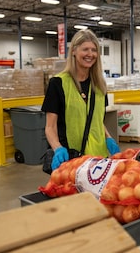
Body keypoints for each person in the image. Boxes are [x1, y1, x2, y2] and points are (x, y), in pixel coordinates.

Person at [41, 29, 120, 171]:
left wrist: (108, 137)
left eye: (94, 50)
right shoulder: (58, 84)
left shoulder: (100, 85)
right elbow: (50, 127)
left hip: (98, 160)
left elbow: (96, 120)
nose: (90, 54)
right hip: (70, 159)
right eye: (85, 49)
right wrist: (58, 148)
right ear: (74, 51)